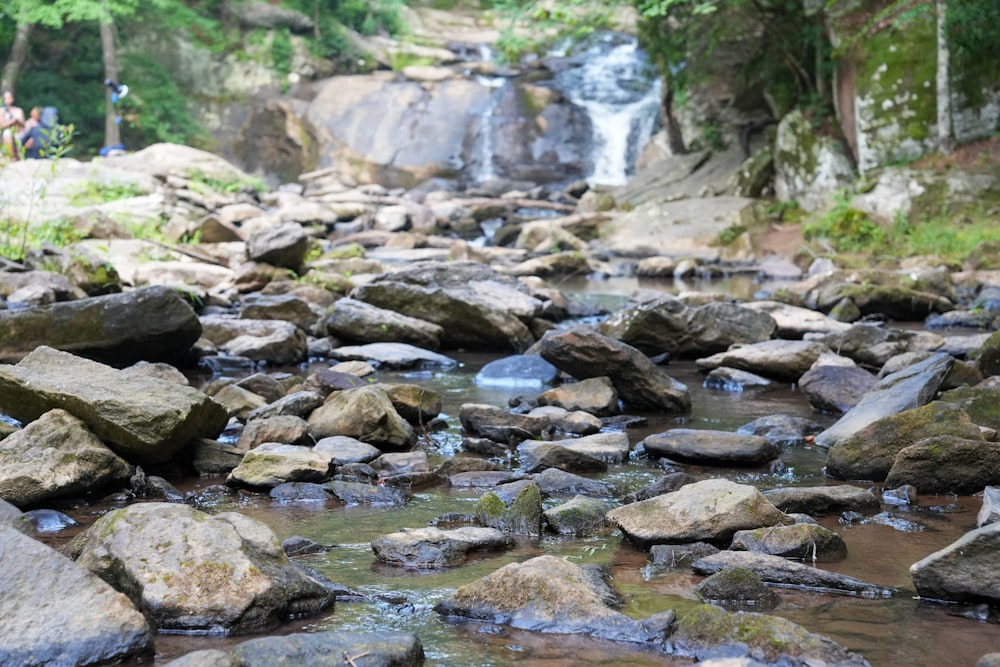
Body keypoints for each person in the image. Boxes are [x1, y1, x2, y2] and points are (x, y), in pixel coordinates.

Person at [1, 90, 26, 160]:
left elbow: (24, 125)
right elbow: (2, 125)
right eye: (6, 98)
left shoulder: (19, 110)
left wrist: (17, 121)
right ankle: (10, 157)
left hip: (19, 131)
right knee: (7, 133)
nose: (8, 100)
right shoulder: (2, 111)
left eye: (9, 98)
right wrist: (13, 120)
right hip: (7, 132)